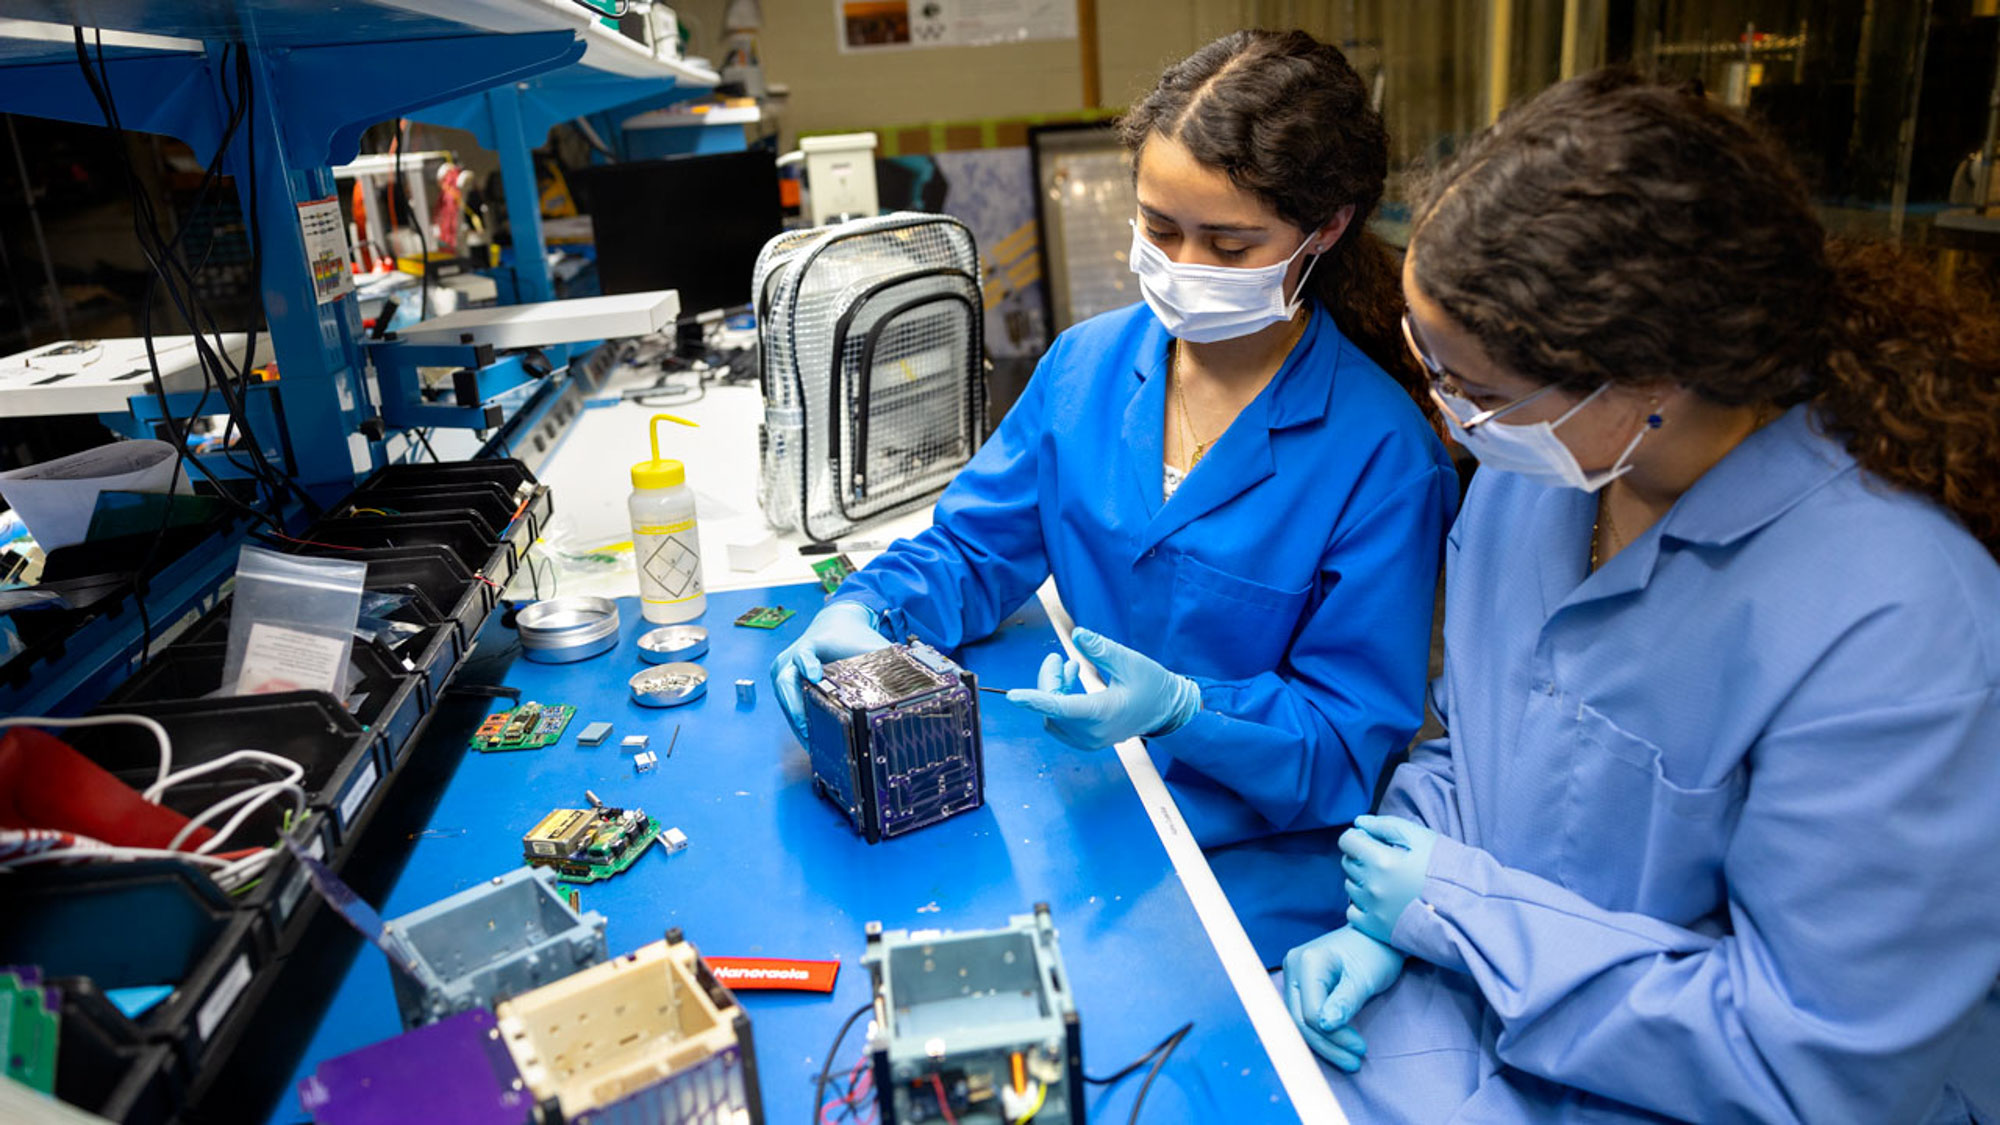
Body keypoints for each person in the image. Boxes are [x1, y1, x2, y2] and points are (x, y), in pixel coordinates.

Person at [1284, 70, 2000, 1123]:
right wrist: (1392, 895)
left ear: (1647, 383)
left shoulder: (1901, 626)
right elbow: (1479, 743)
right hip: (1477, 1034)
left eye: (1472, 390)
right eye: (1423, 363)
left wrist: (1459, 915)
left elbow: (1821, 1066)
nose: (1447, 416)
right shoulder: (1540, 487)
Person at [771, 29, 1459, 964]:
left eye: (1228, 243)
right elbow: (974, 552)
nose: (1181, 265)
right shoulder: (1085, 366)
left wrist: (1185, 709)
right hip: (1089, 799)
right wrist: (865, 609)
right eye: (1159, 228)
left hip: (1250, 863)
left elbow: (1343, 747)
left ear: (1327, 228)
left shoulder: (1383, 457)